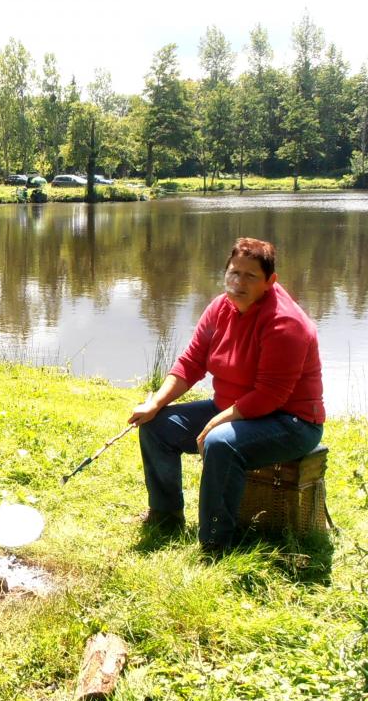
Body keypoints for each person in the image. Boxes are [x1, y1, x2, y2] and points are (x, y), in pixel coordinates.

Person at [127, 237, 324, 557]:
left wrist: (215, 424)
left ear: (270, 281)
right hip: (234, 410)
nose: (239, 283)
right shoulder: (220, 308)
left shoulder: (286, 323)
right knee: (157, 427)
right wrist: (155, 403)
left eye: (250, 276)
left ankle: (215, 545)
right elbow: (191, 364)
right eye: (234, 273)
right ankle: (166, 516)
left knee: (221, 443)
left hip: (291, 422)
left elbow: (271, 395)